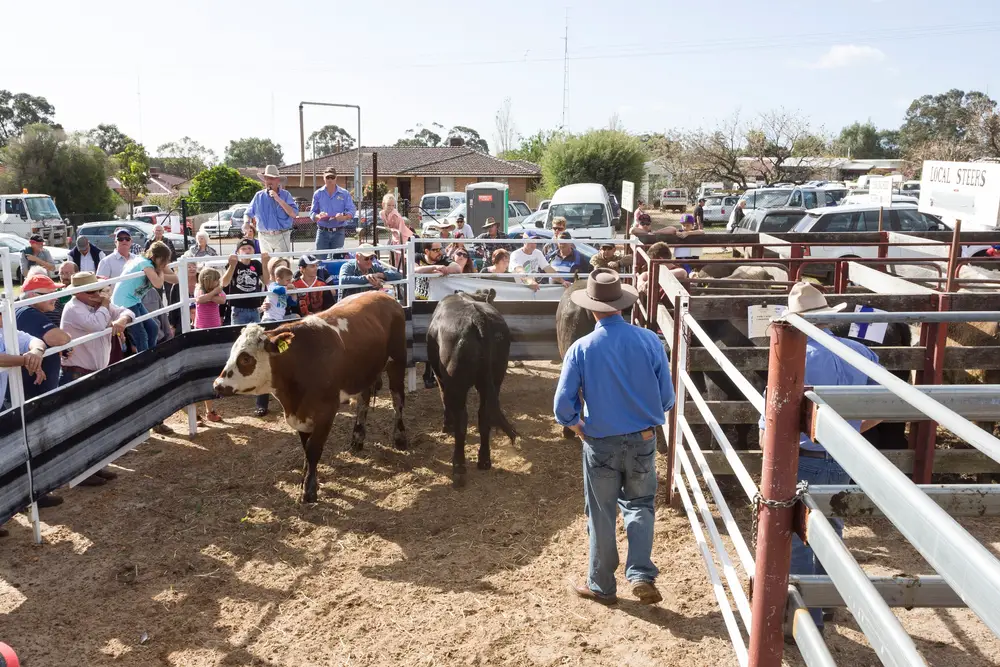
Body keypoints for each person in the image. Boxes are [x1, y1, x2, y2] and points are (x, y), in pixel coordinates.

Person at [757, 282, 882, 632]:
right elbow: (886, 403)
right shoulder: (860, 351)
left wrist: (771, 452)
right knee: (832, 526)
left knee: (795, 534)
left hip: (803, 456)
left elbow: (772, 423)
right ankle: (827, 600)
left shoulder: (791, 358)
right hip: (843, 455)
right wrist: (850, 430)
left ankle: (805, 621)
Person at [553, 268, 675, 606]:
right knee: (640, 505)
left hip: (600, 441)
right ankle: (640, 574)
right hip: (643, 438)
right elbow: (667, 398)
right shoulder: (649, 340)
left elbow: (562, 406)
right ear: (623, 305)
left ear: (592, 308)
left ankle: (602, 585)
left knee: (601, 512)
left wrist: (578, 426)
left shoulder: (581, 348)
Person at [59, 271, 134, 485]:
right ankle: (82, 473)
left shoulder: (95, 306)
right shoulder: (74, 308)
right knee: (83, 424)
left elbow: (127, 311)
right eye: (93, 291)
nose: (98, 294)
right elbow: (96, 325)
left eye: (98, 290)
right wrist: (106, 306)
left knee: (94, 421)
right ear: (81, 293)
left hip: (93, 369)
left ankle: (94, 467)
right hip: (78, 370)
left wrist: (120, 320)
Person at [0, 307, 61, 518]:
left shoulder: (5, 331)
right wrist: (27, 361)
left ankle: (23, 498)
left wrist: (36, 353)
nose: (4, 317)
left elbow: (35, 340)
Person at [223, 239, 271, 416]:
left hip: (254, 310)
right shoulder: (233, 264)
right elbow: (224, 283)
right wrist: (231, 265)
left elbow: (267, 281)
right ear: (238, 251)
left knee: (256, 348)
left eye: (249, 247)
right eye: (243, 248)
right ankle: (235, 383)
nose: (247, 250)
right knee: (237, 349)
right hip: (238, 310)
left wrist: (265, 263)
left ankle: (257, 389)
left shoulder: (256, 264)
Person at [111, 241, 177, 352]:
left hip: (135, 300)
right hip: (125, 302)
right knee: (141, 335)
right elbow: (158, 284)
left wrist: (159, 271)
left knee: (153, 328)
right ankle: (145, 360)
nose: (165, 263)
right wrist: (159, 271)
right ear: (154, 257)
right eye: (164, 260)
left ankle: (150, 353)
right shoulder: (145, 263)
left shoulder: (154, 264)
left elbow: (175, 279)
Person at [15, 273, 72, 400]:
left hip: (29, 389)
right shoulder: (28, 313)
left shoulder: (19, 309)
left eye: (56, 292)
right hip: (34, 392)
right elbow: (59, 338)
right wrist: (67, 337)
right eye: (50, 294)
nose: (55, 298)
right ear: (32, 295)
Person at [195, 266, 227, 423]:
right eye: (216, 280)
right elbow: (200, 299)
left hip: (214, 331)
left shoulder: (216, 292)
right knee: (199, 372)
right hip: (201, 332)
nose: (218, 283)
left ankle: (209, 410)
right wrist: (214, 293)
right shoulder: (198, 289)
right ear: (208, 281)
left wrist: (211, 295)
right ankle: (198, 411)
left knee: (211, 371)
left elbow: (222, 300)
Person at [246, 164, 299, 252]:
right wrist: (246, 223)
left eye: (272, 178)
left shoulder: (286, 195)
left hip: (282, 235)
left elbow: (294, 214)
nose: (269, 181)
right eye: (267, 178)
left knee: (281, 263)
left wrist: (278, 199)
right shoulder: (258, 196)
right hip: (264, 237)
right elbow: (248, 213)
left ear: (277, 180)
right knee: (267, 264)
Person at [310, 168, 357, 251]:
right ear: (323, 178)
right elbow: (312, 212)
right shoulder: (318, 194)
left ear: (336, 178)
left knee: (337, 259)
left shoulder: (344, 193)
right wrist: (318, 216)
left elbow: (352, 210)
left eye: (332, 177)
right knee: (320, 260)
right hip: (322, 232)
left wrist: (344, 216)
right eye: (328, 177)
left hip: (339, 232)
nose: (330, 180)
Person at [338, 246, 404, 295]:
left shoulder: (374, 266)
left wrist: (380, 275)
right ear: (357, 257)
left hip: (368, 304)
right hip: (349, 304)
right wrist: (368, 278)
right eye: (366, 258)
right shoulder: (347, 266)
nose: (369, 261)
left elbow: (398, 275)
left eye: (371, 258)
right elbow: (343, 280)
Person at [380, 193, 414, 269]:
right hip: (395, 234)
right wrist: (388, 228)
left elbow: (400, 228)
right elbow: (386, 224)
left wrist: (392, 230)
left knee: (399, 254)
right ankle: (394, 268)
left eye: (393, 205)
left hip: (403, 234)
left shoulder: (395, 215)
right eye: (389, 205)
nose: (391, 207)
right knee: (393, 253)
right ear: (383, 204)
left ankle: (401, 272)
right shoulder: (382, 213)